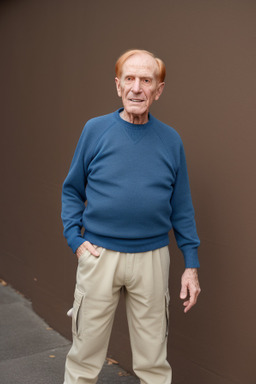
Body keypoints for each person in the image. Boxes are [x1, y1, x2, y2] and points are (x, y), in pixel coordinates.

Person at [61, 49, 201, 384]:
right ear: (118, 85)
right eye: (130, 79)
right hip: (99, 256)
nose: (137, 88)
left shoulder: (171, 140)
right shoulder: (95, 130)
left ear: (158, 89)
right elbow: (71, 190)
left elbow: (182, 207)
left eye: (146, 80)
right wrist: (75, 240)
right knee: (83, 355)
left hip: (152, 259)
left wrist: (191, 266)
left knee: (154, 361)